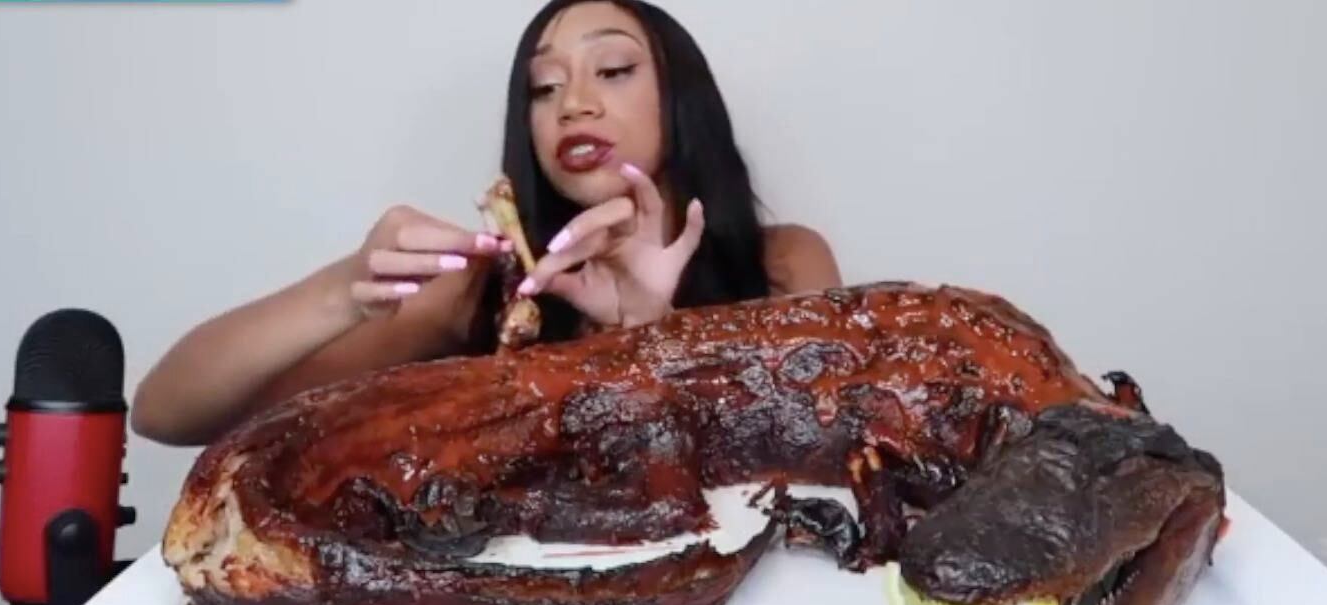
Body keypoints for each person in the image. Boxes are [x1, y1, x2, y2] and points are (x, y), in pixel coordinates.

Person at [130, 0, 842, 447]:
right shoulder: (482, 290)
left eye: (613, 70)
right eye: (544, 87)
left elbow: (828, 448)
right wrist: (342, 289)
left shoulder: (784, 263)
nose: (573, 104)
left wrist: (652, 335)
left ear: (682, 99)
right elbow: (167, 413)